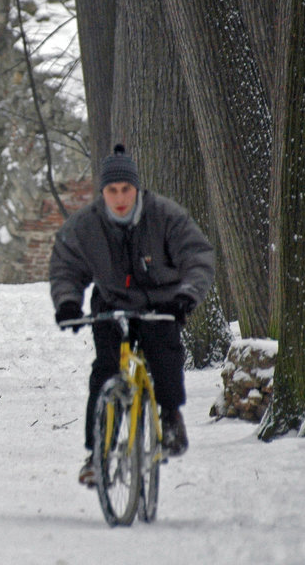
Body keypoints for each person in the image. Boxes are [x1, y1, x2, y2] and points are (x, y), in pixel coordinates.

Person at [48, 144, 215, 487]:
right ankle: (98, 453)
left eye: (126, 189)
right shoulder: (87, 224)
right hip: (112, 302)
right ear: (103, 192)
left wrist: (185, 296)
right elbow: (66, 265)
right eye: (112, 190)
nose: (120, 197)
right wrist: (67, 302)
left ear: (137, 188)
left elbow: (197, 256)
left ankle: (170, 419)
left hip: (161, 303)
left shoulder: (166, 215)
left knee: (165, 354)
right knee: (105, 370)